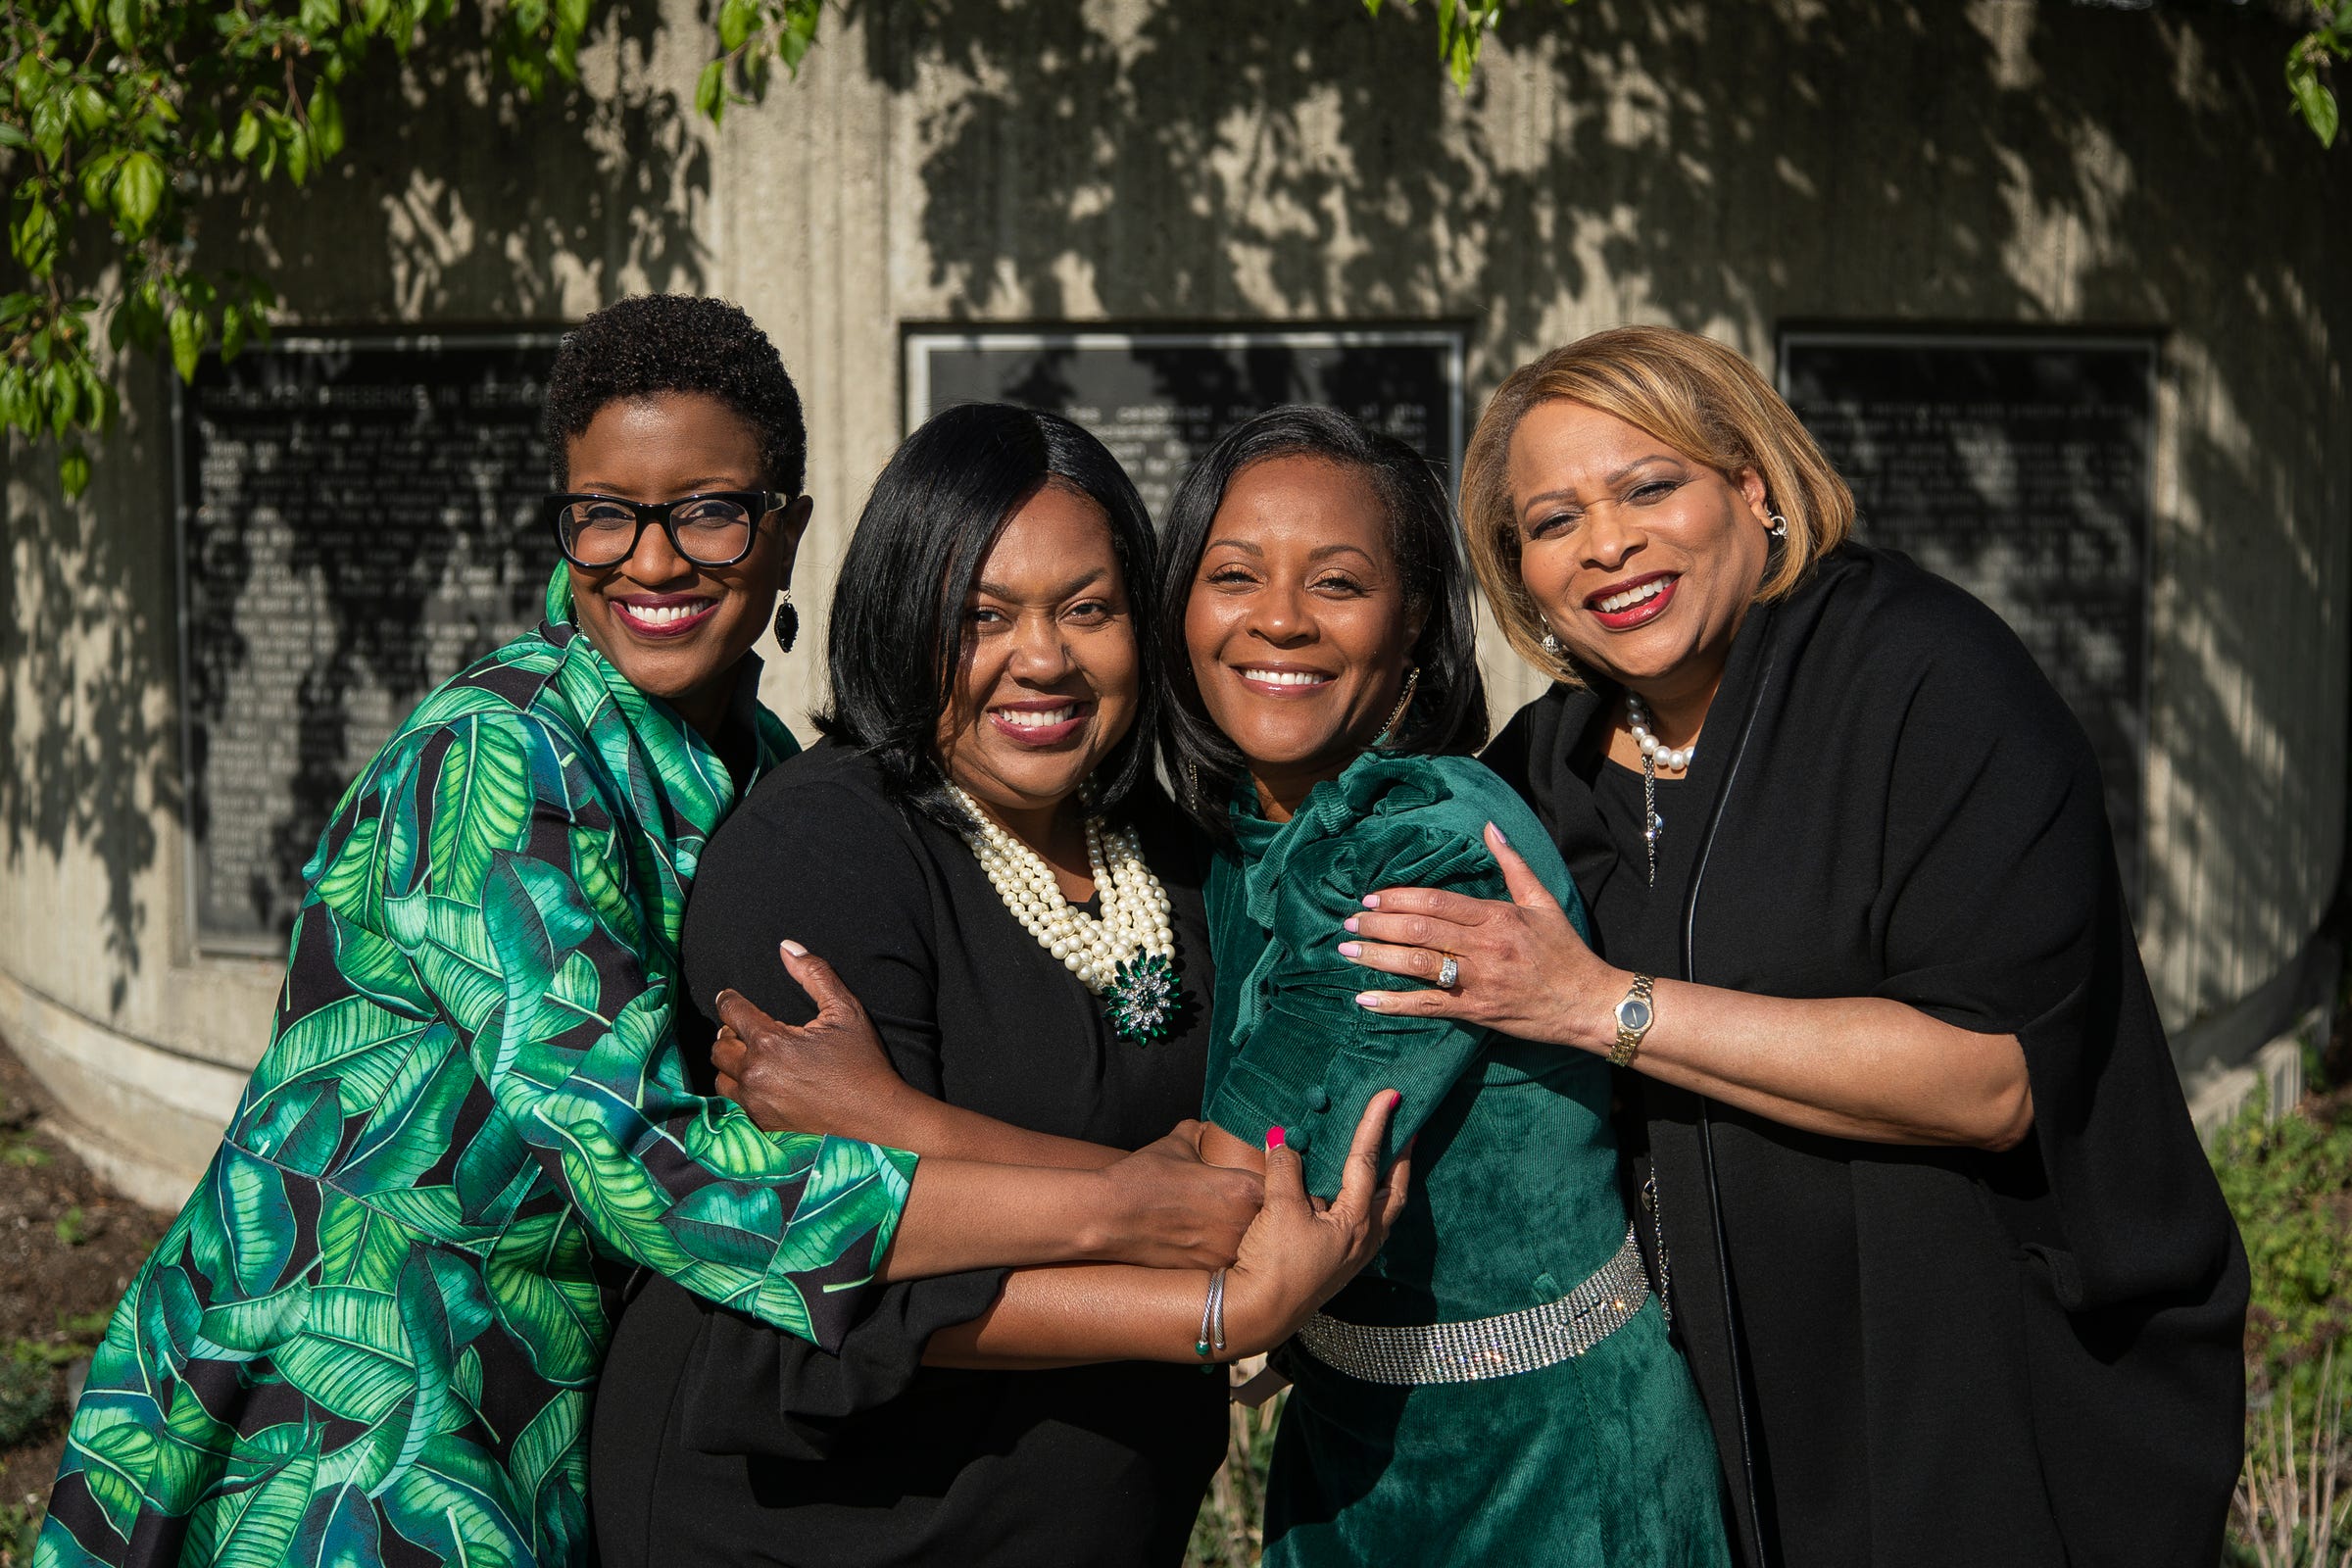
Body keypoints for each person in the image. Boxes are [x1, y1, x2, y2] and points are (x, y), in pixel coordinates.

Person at [36, 299, 1256, 1568]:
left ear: (786, 532)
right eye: (603, 514)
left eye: (709, 511)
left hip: (542, 1393)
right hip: (361, 1399)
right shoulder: (494, 759)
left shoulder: (756, 765)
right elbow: (650, 1171)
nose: (653, 562)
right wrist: (1117, 1209)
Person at [706, 407, 1730, 1566]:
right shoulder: (1226, 840)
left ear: (1414, 635)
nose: (1279, 617)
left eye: (1338, 583)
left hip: (1552, 1477)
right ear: (1184, 610)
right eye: (1234, 574)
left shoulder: (1425, 843)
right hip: (1348, 1461)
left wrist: (889, 1122)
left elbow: (1243, 1201)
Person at [1335, 326, 2250, 1567]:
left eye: (1651, 486)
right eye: (1552, 522)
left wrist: (1602, 1004)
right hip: (1703, 1442)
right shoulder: (1541, 775)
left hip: (1970, 1406)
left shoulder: (1919, 679)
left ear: (1752, 490)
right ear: (1524, 577)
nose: (1607, 542)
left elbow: (1990, 1080)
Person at [589, 403, 1408, 1568]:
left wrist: (903, 1122)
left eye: (1089, 609)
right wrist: (1217, 1308)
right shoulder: (821, 855)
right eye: (981, 614)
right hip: (812, 1522)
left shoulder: (1179, 865)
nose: (1043, 658)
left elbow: (1256, 1189)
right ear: (900, 615)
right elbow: (856, 1261)